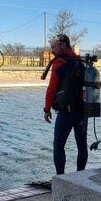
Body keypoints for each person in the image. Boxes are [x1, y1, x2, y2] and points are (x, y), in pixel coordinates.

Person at [43, 34, 88, 174]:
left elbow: (52, 88)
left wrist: (47, 108)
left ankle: (61, 178)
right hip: (82, 111)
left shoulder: (59, 62)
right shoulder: (79, 61)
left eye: (53, 47)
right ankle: (80, 175)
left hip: (66, 113)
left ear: (63, 45)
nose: (52, 51)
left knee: (58, 146)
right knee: (82, 145)